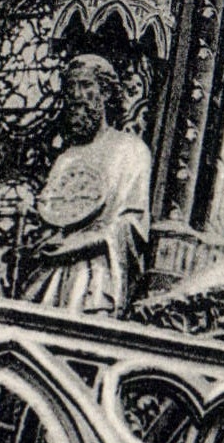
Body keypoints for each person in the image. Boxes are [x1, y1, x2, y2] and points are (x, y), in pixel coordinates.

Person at [20, 53, 152, 317]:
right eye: (71, 88)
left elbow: (132, 224)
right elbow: (51, 212)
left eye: (85, 85)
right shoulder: (67, 158)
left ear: (105, 93)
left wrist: (79, 244)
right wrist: (41, 239)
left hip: (96, 271)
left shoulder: (130, 149)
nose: (77, 95)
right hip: (50, 273)